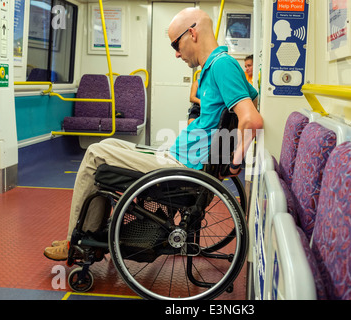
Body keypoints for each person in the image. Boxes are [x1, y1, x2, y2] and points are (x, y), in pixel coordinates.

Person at [44, 7, 263, 261]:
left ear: (192, 33)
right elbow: (254, 100)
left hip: (183, 166)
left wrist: (234, 163)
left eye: (175, 45)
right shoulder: (219, 65)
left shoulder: (221, 65)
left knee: (96, 152)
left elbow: (252, 118)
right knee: (109, 144)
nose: (177, 54)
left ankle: (77, 241)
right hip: (180, 158)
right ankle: (91, 234)